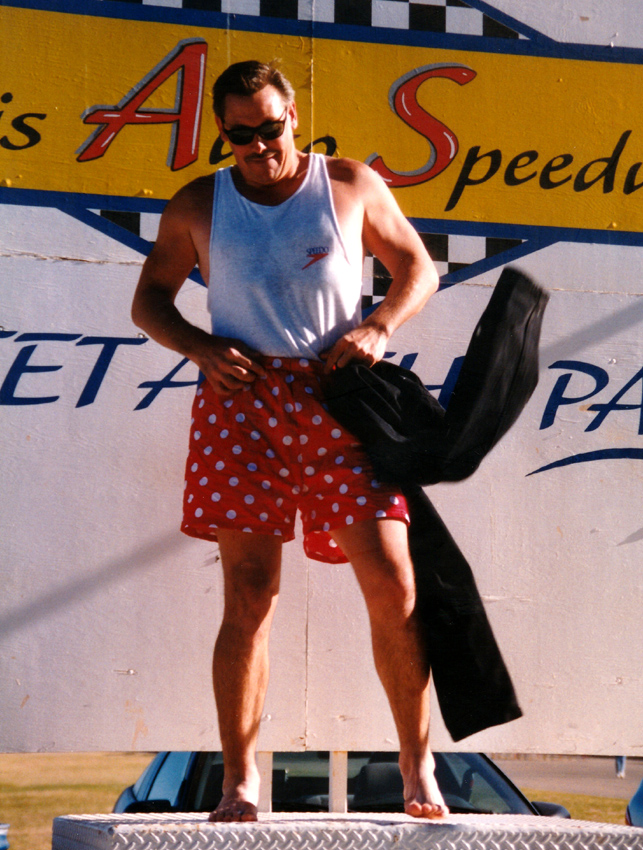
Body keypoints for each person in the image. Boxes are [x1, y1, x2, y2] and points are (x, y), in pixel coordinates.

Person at [131, 60, 444, 822]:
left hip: (339, 394)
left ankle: (416, 765)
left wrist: (378, 326)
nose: (258, 147)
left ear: (293, 116)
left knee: (394, 583)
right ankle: (239, 779)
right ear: (223, 133)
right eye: (240, 136)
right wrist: (199, 347)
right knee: (248, 591)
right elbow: (149, 300)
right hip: (242, 406)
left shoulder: (348, 184)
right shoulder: (199, 203)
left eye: (269, 128)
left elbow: (416, 268)